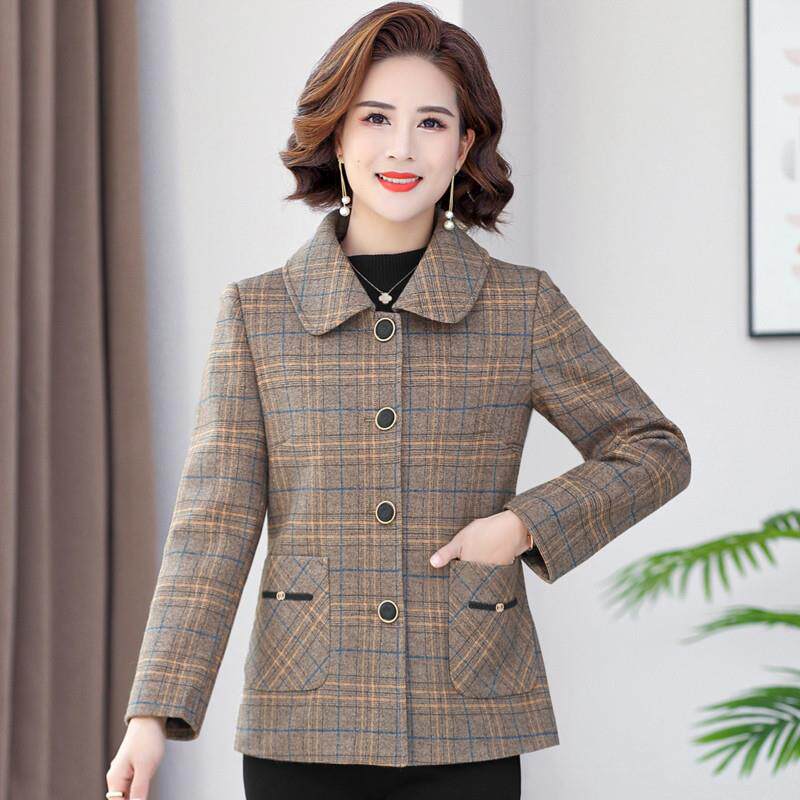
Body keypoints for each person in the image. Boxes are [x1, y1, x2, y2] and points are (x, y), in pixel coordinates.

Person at [106, 3, 692, 799]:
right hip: (302, 721)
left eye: (431, 123)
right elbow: (214, 523)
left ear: (464, 146)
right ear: (338, 134)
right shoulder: (258, 313)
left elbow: (653, 448)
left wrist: (523, 526)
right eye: (376, 117)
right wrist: (151, 715)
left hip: (468, 714)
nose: (402, 147)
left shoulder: (519, 306)